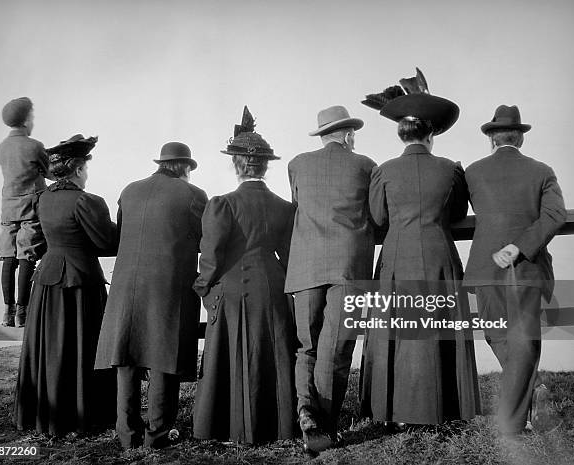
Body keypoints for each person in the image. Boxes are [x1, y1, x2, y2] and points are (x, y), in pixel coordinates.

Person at [359, 68, 481, 427]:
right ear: (431, 134)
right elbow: (458, 213)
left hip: (397, 255)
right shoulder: (450, 169)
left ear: (402, 133)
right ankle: (444, 407)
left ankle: (393, 410)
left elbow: (378, 217)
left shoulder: (383, 171)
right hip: (439, 252)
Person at [192, 106, 297, 444]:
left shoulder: (222, 204)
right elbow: (290, 254)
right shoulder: (284, 206)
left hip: (231, 290)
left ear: (236, 165)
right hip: (273, 286)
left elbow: (210, 256)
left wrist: (203, 289)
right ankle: (276, 426)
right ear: (265, 167)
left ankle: (223, 427)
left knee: (229, 355)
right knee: (271, 355)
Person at [94, 142, 207, 449]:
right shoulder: (193, 195)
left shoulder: (129, 190)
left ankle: (127, 433)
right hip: (168, 285)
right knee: (163, 355)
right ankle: (158, 431)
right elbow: (203, 238)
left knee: (126, 356)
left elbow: (121, 233)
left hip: (126, 285)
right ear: (184, 167)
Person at [464, 105, 566, 437]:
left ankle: (524, 405)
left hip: (485, 267)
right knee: (525, 338)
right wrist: (520, 247)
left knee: (496, 333)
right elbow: (555, 216)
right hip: (528, 268)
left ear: (491, 139)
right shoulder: (542, 170)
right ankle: (533, 391)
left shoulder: (473, 172)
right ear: (520, 138)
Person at [286, 105, 376, 453]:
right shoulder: (366, 166)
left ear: (322, 134)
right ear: (349, 135)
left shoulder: (297, 164)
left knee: (306, 346)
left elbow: (298, 202)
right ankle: (324, 425)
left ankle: (307, 413)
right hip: (348, 268)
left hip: (305, 266)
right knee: (336, 348)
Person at [15, 134, 117, 436]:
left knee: (52, 348)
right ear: (77, 169)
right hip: (81, 283)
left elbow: (40, 241)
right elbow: (106, 241)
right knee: (82, 347)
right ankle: (84, 413)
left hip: (47, 282)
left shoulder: (42, 199)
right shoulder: (87, 201)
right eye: (86, 167)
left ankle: (48, 412)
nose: (87, 173)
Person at [0, 97, 52, 327]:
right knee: (26, 256)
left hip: (8, 209)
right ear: (27, 119)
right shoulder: (34, 145)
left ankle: (7, 312)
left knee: (9, 257)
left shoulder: (2, 147)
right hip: (31, 208)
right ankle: (23, 312)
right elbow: (49, 171)